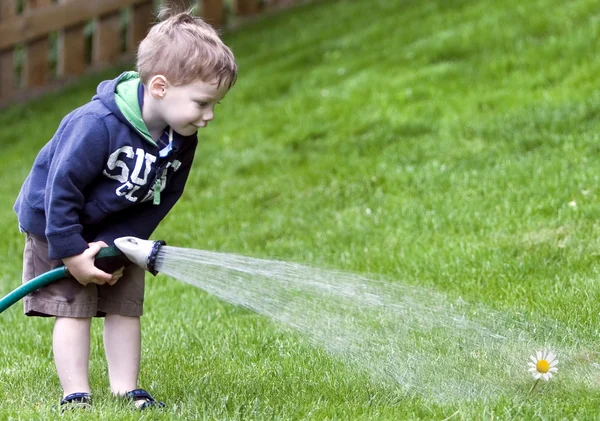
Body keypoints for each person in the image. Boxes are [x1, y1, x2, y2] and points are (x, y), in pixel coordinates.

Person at [14, 5, 237, 411]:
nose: (208, 117)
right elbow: (60, 189)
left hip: (116, 229)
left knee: (124, 305)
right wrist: (71, 251)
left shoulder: (180, 137)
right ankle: (75, 394)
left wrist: (124, 241)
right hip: (56, 222)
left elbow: (163, 194)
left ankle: (125, 389)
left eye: (214, 105)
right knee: (74, 306)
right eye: (202, 103)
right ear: (159, 87)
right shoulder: (97, 124)